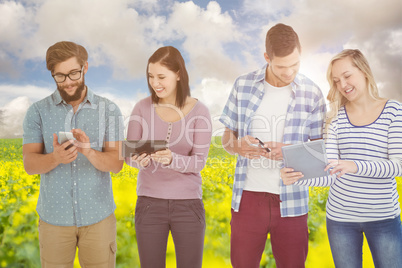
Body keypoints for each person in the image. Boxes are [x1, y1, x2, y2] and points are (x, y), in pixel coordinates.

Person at [281, 49, 402, 267]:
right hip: (340, 219)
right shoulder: (335, 119)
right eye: (336, 81)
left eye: (347, 76)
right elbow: (331, 174)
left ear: (364, 71)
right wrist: (297, 177)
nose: (342, 85)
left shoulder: (393, 110)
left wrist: (355, 166)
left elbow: (397, 166)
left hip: (383, 217)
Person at [219, 23, 326, 267]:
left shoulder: (312, 93)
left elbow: (319, 153)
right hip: (247, 198)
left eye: (295, 65)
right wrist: (238, 146)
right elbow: (226, 138)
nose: (289, 73)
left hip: (293, 201)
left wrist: (288, 151)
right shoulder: (243, 85)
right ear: (267, 57)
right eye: (281, 66)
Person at [22, 41, 124, 268]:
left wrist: (88, 152)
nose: (67, 82)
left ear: (85, 67)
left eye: (73, 73)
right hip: (53, 220)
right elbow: (29, 163)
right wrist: (55, 158)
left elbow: (117, 163)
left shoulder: (109, 110)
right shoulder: (37, 111)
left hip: (99, 218)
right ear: (52, 74)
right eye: (60, 76)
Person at [125, 46, 212, 268]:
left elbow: (199, 162)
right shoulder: (141, 108)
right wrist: (137, 160)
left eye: (161, 77)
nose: (155, 83)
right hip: (149, 204)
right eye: (151, 76)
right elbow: (129, 155)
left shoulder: (200, 112)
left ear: (178, 75)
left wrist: (173, 159)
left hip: (188, 205)